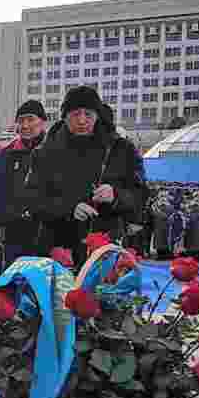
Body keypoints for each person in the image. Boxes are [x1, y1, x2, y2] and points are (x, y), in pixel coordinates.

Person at [26, 85, 147, 266]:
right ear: (65, 116)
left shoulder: (121, 150)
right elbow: (32, 200)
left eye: (88, 114)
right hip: (58, 246)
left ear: (97, 115)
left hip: (107, 247)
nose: (82, 120)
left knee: (103, 294)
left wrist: (116, 195)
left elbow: (141, 195)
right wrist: (68, 208)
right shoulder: (45, 152)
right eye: (75, 114)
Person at [0, 100, 48, 268]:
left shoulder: (54, 150)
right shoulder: (7, 153)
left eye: (30, 119)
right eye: (21, 120)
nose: (25, 125)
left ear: (42, 121)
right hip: (14, 232)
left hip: (46, 231)